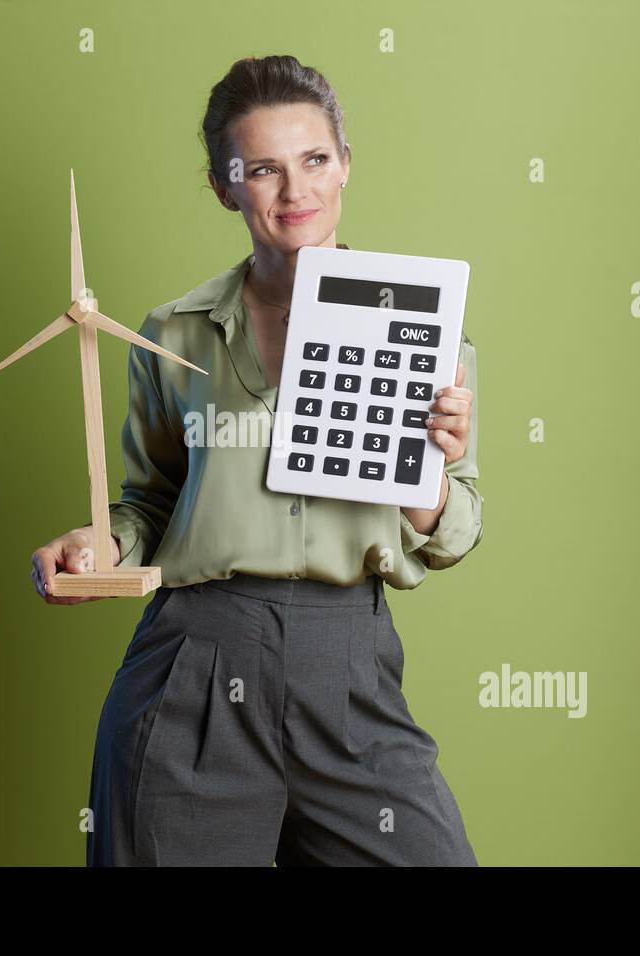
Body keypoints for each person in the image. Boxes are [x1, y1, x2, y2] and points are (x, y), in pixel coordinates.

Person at [31, 54, 483, 866]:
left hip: (349, 668)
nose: (295, 190)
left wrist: (430, 475)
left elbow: (452, 532)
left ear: (346, 164)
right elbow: (154, 502)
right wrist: (102, 543)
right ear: (225, 187)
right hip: (195, 665)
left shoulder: (429, 330)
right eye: (263, 169)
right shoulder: (171, 334)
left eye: (314, 159)